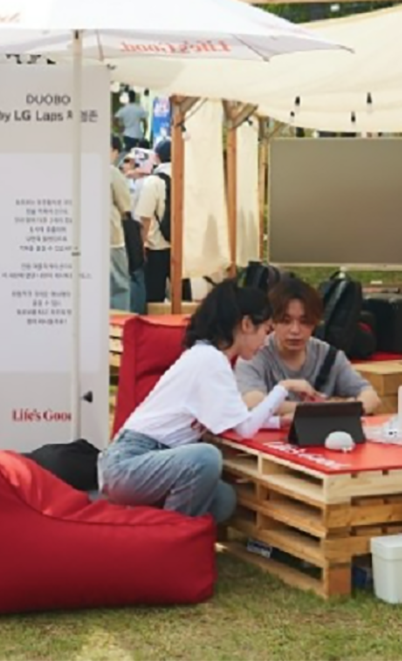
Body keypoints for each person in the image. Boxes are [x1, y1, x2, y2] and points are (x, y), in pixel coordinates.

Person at [97, 283, 317, 523]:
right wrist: (283, 389)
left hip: (150, 460)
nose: (265, 342)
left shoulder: (209, 357)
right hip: (129, 464)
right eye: (265, 330)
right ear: (246, 324)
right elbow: (245, 429)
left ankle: (145, 525)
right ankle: (170, 537)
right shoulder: (209, 361)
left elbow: (236, 420)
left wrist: (279, 422)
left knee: (222, 499)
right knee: (206, 457)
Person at [237, 277, 381, 415]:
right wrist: (322, 408)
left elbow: (371, 397)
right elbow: (253, 403)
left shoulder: (330, 356)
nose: (295, 330)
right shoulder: (254, 354)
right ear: (272, 321)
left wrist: (353, 409)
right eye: (286, 321)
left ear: (316, 322)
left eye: (304, 322)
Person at [134, 140, 174, 304]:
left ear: (157, 157)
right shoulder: (189, 179)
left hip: (157, 247)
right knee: (183, 296)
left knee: (154, 298)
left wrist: (141, 245)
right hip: (183, 247)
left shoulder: (154, 181)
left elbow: (145, 218)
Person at [108, 135, 135, 312]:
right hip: (112, 238)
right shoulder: (112, 172)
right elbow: (126, 206)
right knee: (119, 286)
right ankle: (119, 327)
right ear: (114, 151)